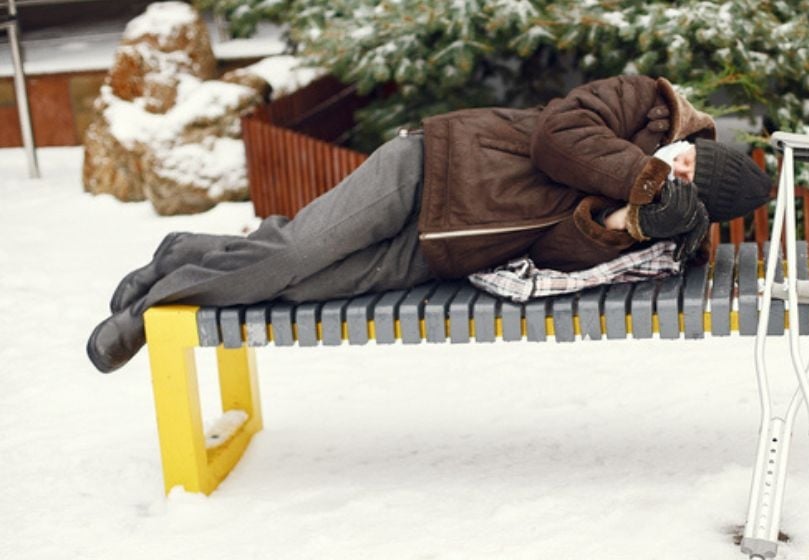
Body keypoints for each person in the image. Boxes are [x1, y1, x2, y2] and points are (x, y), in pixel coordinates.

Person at [86, 74, 772, 373]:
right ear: (691, 141)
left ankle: (185, 250)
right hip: (427, 169)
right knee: (297, 251)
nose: (671, 171)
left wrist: (624, 221)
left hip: (439, 249)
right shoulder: (641, 104)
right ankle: (150, 311)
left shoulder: (646, 222)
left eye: (684, 184)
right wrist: (642, 178)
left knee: (297, 285)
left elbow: (555, 250)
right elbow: (556, 138)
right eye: (683, 162)